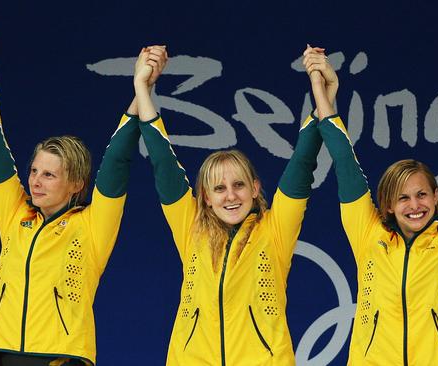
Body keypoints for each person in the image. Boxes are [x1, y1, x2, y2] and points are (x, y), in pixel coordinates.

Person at [0, 12, 166, 366]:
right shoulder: (16, 213)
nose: (36, 181)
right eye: (34, 171)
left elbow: (117, 162)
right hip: (5, 355)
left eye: (50, 175)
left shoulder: (91, 225)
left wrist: (141, 88)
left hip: (61, 358)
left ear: (76, 184)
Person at [135, 45, 326, 365]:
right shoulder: (190, 226)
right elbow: (162, 163)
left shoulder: (274, 230)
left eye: (239, 185)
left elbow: (303, 162)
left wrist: (320, 89)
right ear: (206, 198)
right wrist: (143, 87)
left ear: (255, 188)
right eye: (219, 188)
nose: (230, 195)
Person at [305, 41, 438, 365]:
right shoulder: (369, 236)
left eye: (421, 194)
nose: (414, 205)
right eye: (402, 198)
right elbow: (346, 165)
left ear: (436, 197)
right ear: (388, 205)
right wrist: (321, 88)